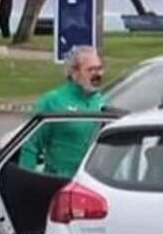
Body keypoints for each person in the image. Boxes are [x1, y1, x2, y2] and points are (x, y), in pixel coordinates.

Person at [19, 46, 105, 177]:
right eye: (91, 70)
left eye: (99, 69)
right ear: (74, 73)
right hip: (60, 181)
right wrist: (25, 181)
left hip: (93, 181)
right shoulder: (53, 101)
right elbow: (30, 145)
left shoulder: (103, 101)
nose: (97, 75)